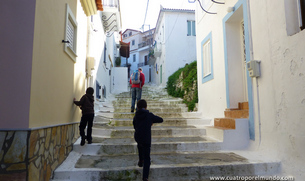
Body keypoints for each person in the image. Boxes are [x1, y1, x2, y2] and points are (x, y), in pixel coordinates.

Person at [133, 99, 163, 181]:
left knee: (139, 145)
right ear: (146, 107)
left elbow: (134, 126)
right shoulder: (149, 115)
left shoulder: (136, 116)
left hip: (138, 137)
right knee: (147, 158)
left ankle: (140, 160)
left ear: (137, 107)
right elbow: (161, 119)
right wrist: (151, 122)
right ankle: (145, 177)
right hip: (146, 138)